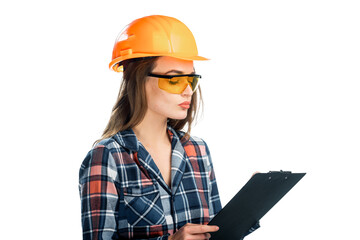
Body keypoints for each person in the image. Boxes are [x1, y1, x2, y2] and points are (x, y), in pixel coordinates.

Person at [79, 15, 259, 240]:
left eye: (191, 80)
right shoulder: (108, 157)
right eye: (174, 80)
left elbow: (214, 235)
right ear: (138, 80)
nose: (188, 91)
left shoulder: (198, 151)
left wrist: (247, 210)